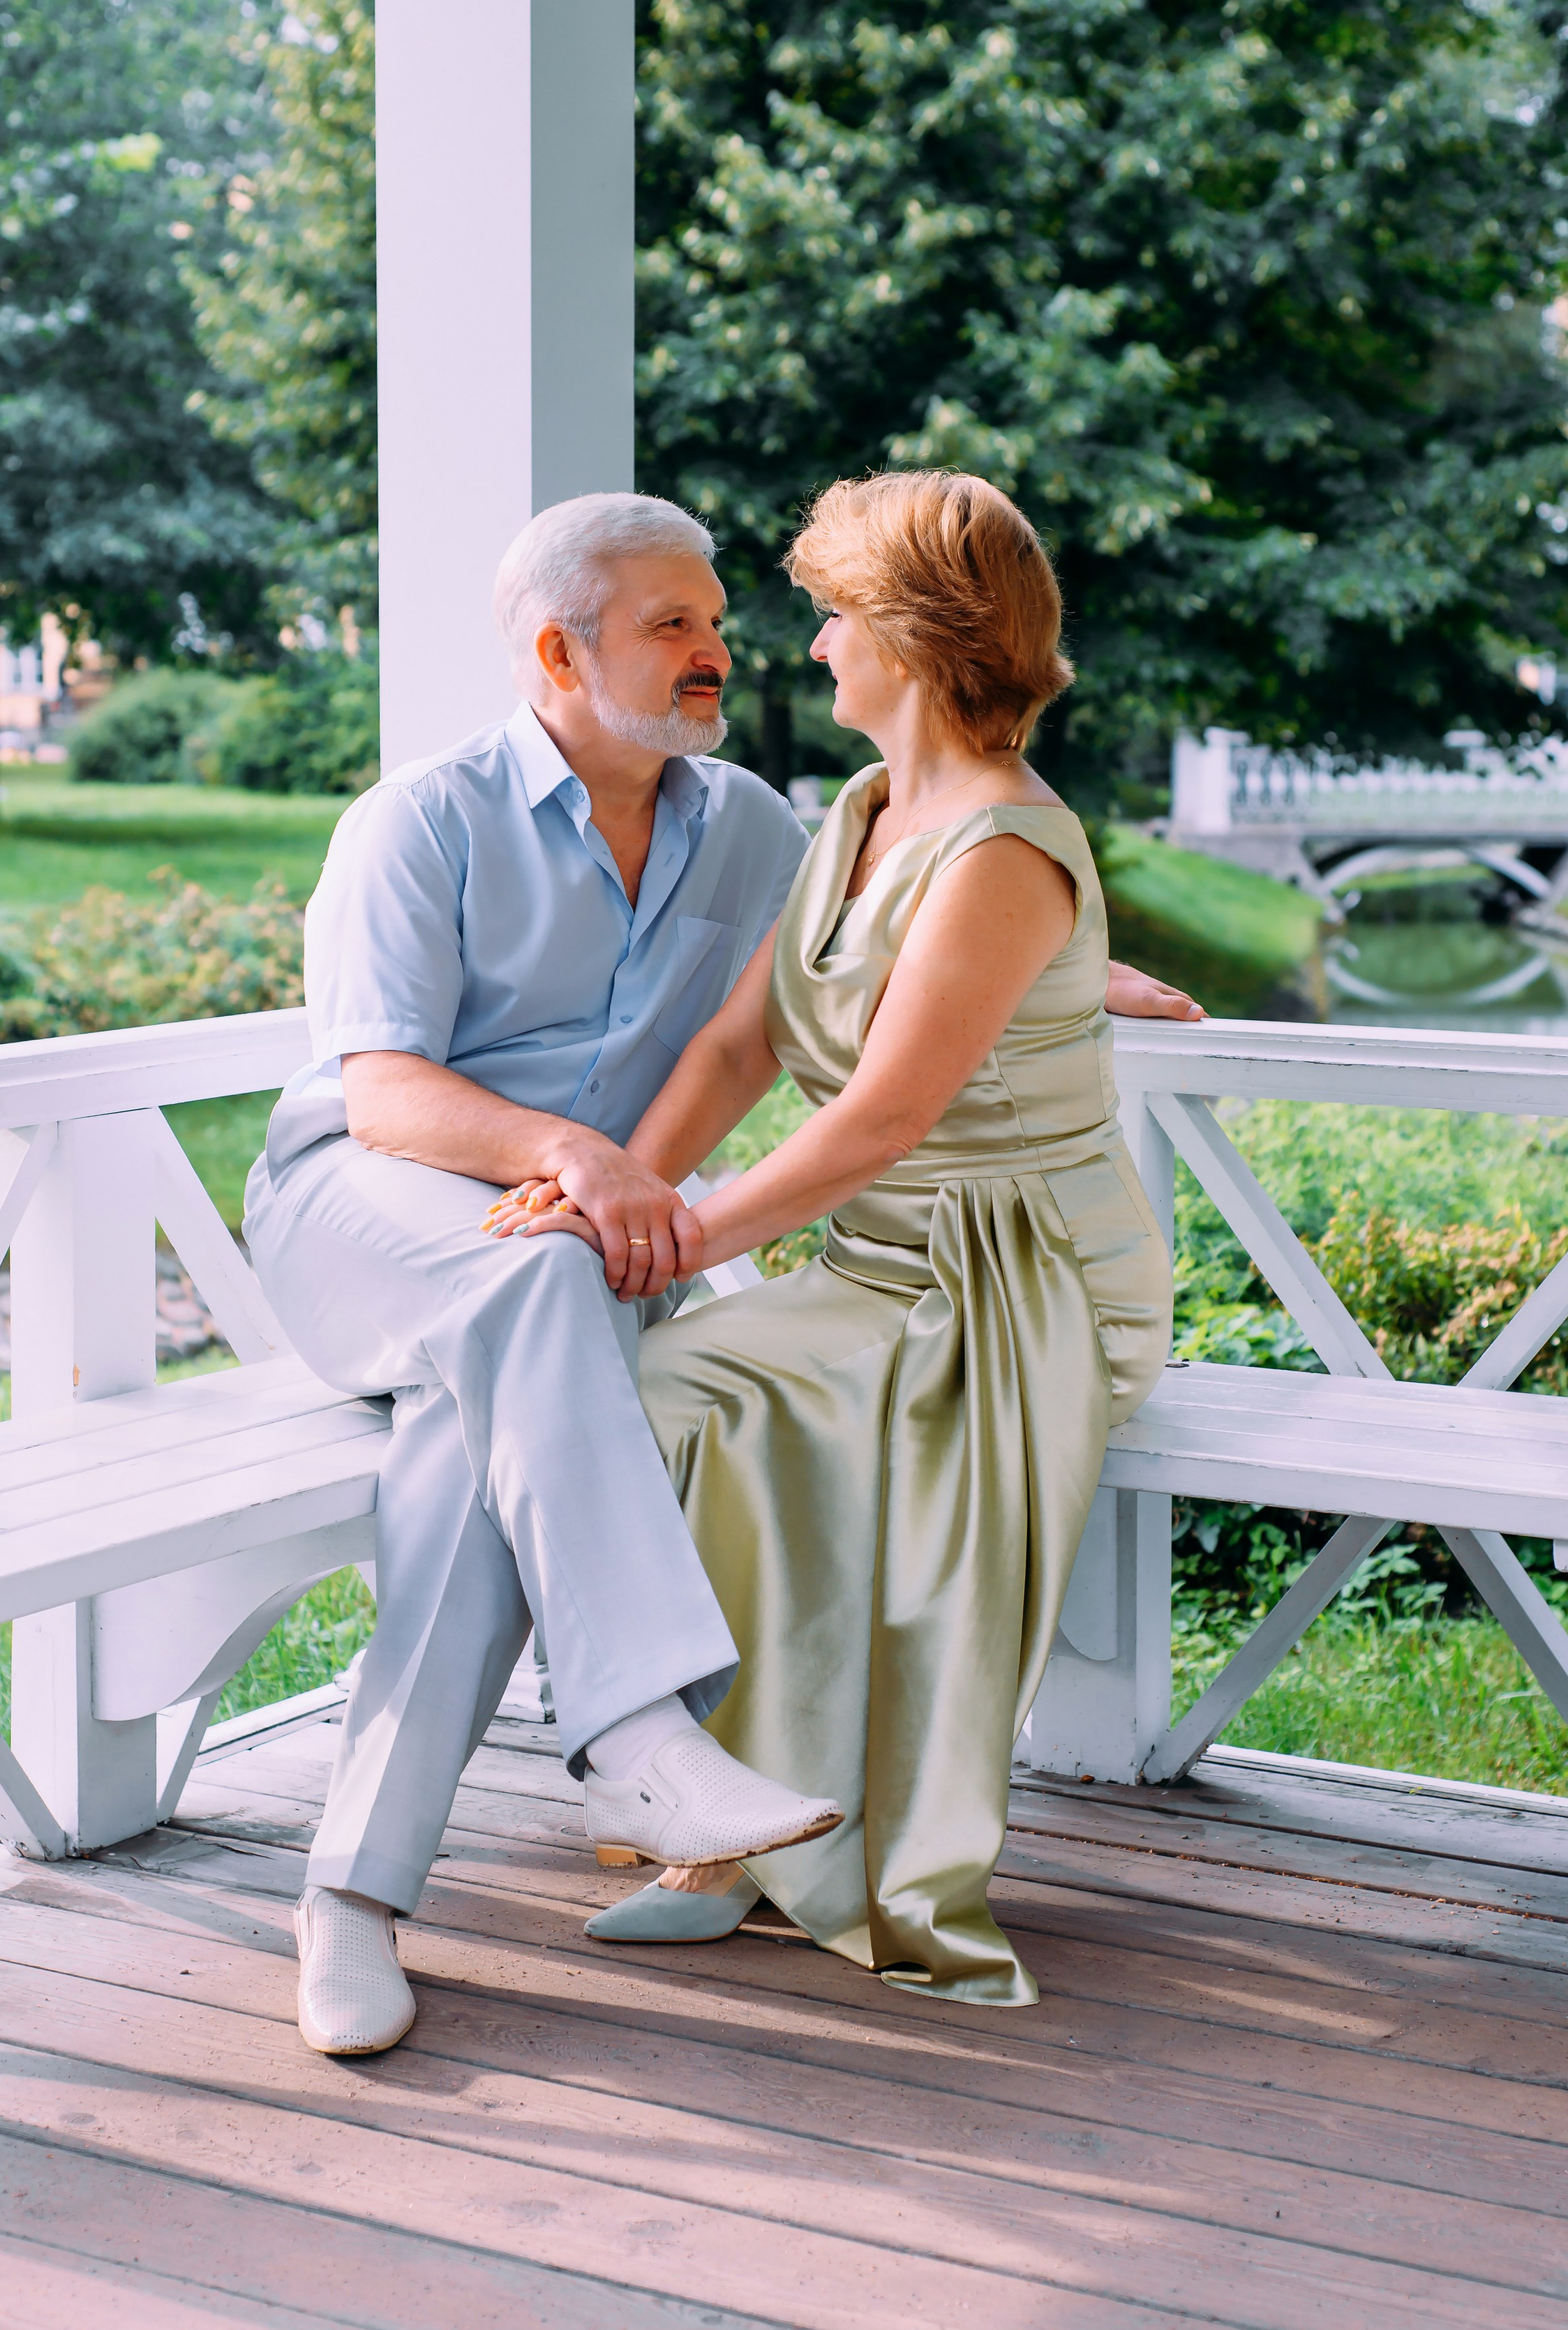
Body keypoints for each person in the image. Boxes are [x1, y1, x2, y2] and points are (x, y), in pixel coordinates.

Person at [500, 470, 1178, 2006]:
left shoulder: (1001, 845)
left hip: (1010, 1280)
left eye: (830, 616)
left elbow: (877, 1120)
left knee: (691, 1392)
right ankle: (723, 1809)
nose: (806, 647)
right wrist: (611, 1187)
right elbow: (740, 1047)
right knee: (647, 1399)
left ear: (913, 634)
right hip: (873, 1268)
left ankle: (765, 1831)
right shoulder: (865, 814)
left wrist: (674, 1240)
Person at [245, 491, 845, 2058]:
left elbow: (877, 962)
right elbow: (383, 1094)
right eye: (672, 625)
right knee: (534, 1288)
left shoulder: (751, 826)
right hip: (363, 1217)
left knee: (470, 1446)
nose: (716, 652)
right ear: (557, 653)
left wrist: (1068, 959)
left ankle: (350, 1897)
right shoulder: (419, 821)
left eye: (716, 622)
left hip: (562, 1262)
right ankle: (640, 1733)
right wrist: (576, 1157)